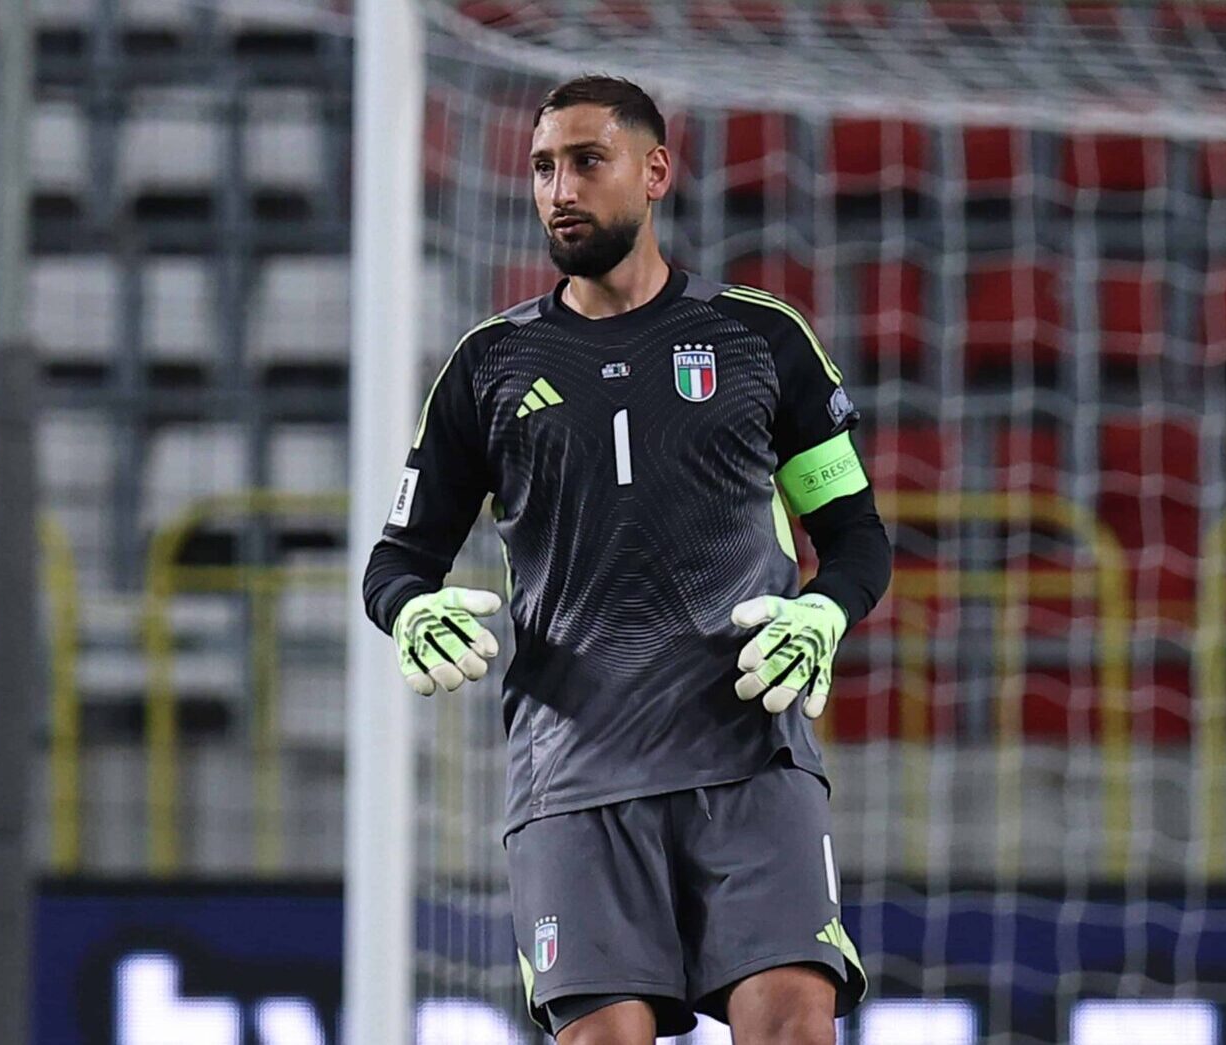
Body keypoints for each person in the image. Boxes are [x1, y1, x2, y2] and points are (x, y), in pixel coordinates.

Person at [361, 74, 893, 1044]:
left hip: (748, 755)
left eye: (585, 162)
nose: (558, 190)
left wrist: (822, 612)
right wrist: (409, 610)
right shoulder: (487, 367)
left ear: (654, 172)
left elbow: (856, 538)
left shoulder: (759, 338)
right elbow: (396, 561)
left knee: (794, 1024)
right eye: (542, 168)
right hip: (572, 773)